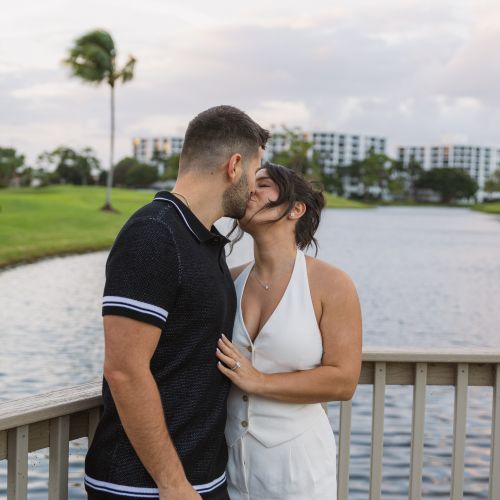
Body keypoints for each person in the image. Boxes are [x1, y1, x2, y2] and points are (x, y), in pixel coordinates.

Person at [84, 105, 269, 500]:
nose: (254, 186)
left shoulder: (203, 241)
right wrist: (172, 482)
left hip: (199, 482)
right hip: (143, 488)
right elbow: (124, 370)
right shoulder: (154, 234)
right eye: (256, 171)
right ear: (234, 166)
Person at [216, 162, 362, 499]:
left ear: (297, 208)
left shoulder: (331, 284)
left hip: (299, 472)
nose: (249, 189)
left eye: (263, 184)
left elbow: (344, 380)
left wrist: (260, 381)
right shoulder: (228, 279)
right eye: (249, 182)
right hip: (229, 469)